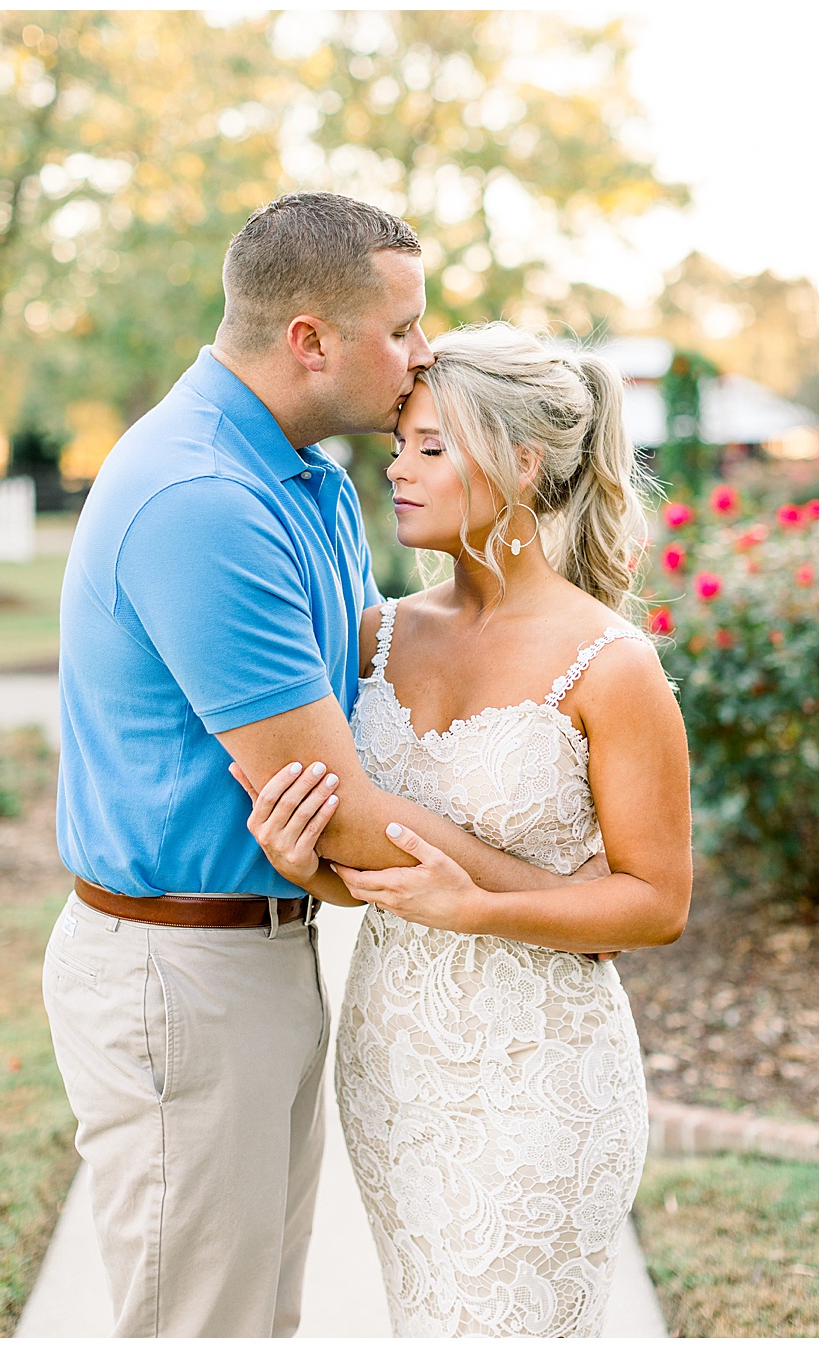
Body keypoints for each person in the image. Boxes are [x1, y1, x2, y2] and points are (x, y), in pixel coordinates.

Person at [44, 193, 616, 1337]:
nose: (424, 356)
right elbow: (344, 812)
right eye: (403, 328)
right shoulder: (204, 497)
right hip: (179, 974)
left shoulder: (303, 477)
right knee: (202, 1324)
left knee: (258, 1317)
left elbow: (374, 703)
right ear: (311, 339)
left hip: (265, 953)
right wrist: (563, 902)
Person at [238, 324, 690, 1336]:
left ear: (521, 463)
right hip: (395, 1068)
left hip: (542, 1075)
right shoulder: (373, 635)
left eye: (432, 448)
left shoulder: (611, 663)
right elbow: (371, 858)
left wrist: (480, 905)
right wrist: (307, 866)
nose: (399, 469)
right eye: (400, 445)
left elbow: (656, 903)